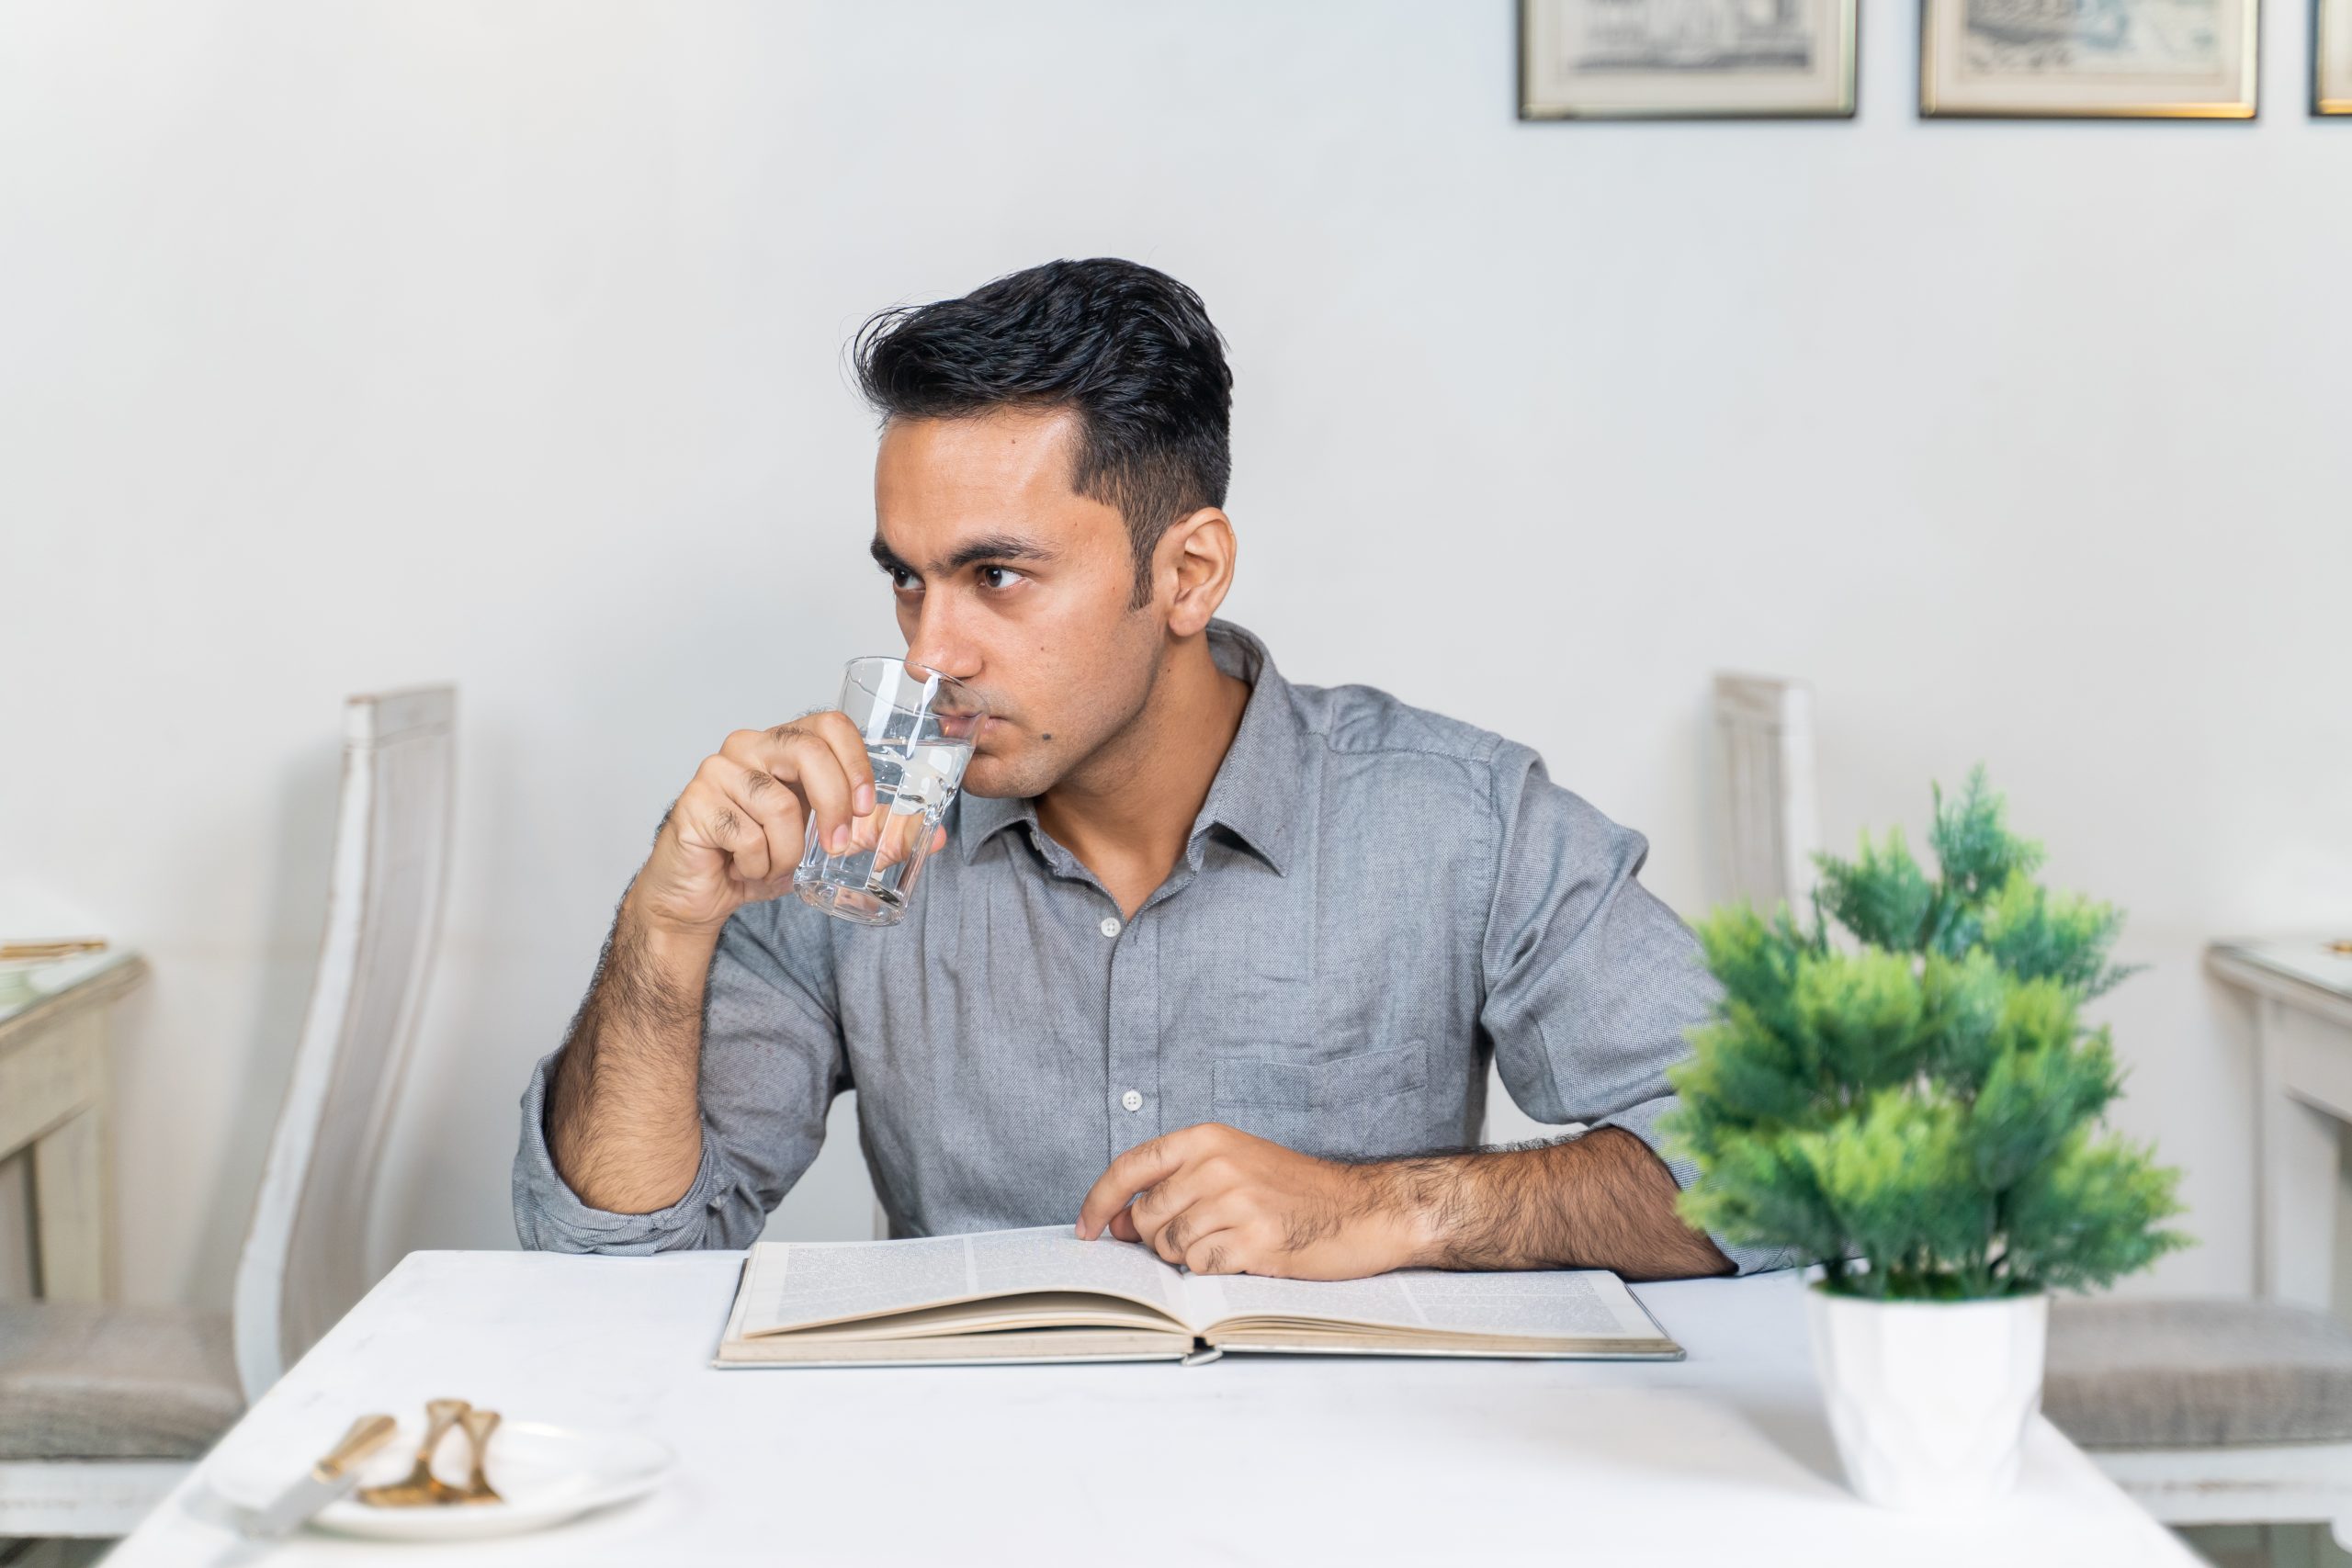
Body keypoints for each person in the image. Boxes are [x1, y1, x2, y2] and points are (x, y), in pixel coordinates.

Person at [514, 257, 1777, 1281]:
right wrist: (665, 927)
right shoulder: (851, 834)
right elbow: (612, 1255)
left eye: (995, 577)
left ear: (1187, 574)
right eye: (908, 577)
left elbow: (1788, 1166)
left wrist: (1384, 1210)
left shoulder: (1458, 821)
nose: (928, 648)